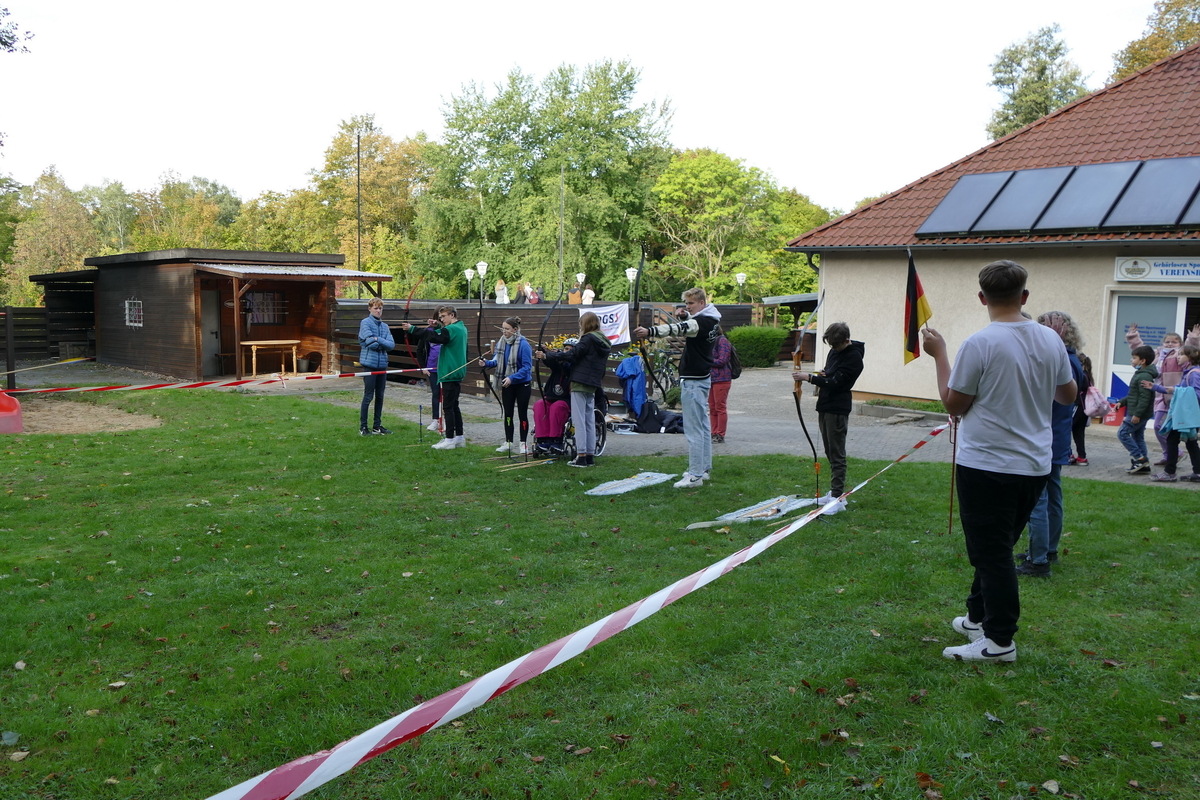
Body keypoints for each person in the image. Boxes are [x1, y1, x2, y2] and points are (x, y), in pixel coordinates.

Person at [922, 260, 1076, 663]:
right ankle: (977, 618)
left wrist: (939, 355)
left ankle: (999, 641)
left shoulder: (980, 343)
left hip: (987, 465)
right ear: (1024, 296)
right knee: (998, 545)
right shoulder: (1050, 339)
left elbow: (954, 404)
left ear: (982, 298)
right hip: (1034, 465)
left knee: (992, 553)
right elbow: (1067, 395)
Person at [1016, 311, 1086, 578]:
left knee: (1039, 500)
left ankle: (1038, 559)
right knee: (1052, 495)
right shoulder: (1070, 358)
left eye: (1041, 328)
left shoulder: (1062, 360)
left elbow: (1044, 392)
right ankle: (1048, 549)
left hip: (1046, 437)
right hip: (1055, 437)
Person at [635, 287, 721, 488]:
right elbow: (691, 325)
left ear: (702, 303)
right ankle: (703, 469)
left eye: (691, 303)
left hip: (694, 381)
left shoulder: (701, 322)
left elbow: (677, 329)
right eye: (687, 303)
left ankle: (695, 475)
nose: (688, 307)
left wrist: (649, 332)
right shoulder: (711, 319)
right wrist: (685, 316)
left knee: (693, 429)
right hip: (701, 378)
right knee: (703, 426)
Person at [792, 322, 865, 505]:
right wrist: (824, 374)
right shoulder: (835, 350)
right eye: (831, 345)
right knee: (829, 451)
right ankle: (834, 492)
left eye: (836, 345)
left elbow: (837, 383)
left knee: (837, 453)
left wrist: (809, 378)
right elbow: (831, 374)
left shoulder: (854, 357)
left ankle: (837, 498)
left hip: (838, 408)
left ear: (846, 340)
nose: (833, 348)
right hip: (825, 404)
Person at [1125, 324, 1200, 464]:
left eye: (1174, 342)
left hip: (1175, 398)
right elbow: (1141, 353)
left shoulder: (1179, 355)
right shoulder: (1158, 355)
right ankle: (1170, 456)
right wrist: (1133, 335)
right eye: (1167, 342)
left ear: (1180, 344)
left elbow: (1191, 350)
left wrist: (1194, 337)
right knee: (1158, 426)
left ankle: (1173, 458)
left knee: (1175, 433)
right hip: (1161, 396)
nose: (1170, 344)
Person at [400, 306, 468, 450]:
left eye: (443, 316)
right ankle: (459, 437)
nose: (441, 319)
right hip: (456, 372)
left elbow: (434, 337)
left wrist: (412, 329)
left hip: (449, 372)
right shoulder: (461, 328)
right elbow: (443, 333)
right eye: (440, 317)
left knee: (448, 407)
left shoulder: (451, 329)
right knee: (454, 406)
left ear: (452, 315)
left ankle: (449, 439)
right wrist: (437, 326)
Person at [1145, 343, 1200, 482]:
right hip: (1188, 415)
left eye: (1181, 354)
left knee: (1172, 440)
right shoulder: (1188, 372)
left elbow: (1196, 394)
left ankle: (1169, 473)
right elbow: (1177, 388)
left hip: (1186, 415)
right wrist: (1156, 387)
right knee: (1191, 443)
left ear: (1190, 357)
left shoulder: (1194, 374)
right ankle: (1197, 472)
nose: (1178, 357)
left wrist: (1177, 390)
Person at [480, 316, 533, 455]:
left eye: (507, 329)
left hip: (522, 384)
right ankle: (508, 442)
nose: (504, 331)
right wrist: (486, 363)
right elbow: (497, 360)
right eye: (503, 328)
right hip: (507, 383)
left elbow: (527, 367)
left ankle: (523, 443)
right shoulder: (502, 342)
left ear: (515, 329)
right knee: (508, 413)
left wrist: (512, 377)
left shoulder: (523, 344)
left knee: (522, 414)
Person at [564, 312, 611, 467]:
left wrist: (550, 355)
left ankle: (581, 456)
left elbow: (573, 354)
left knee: (579, 420)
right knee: (589, 420)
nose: (580, 327)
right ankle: (589, 455)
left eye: (581, 324)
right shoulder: (601, 341)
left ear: (586, 324)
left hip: (579, 382)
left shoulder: (588, 339)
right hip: (592, 384)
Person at [1116, 345, 1158, 474]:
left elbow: (1145, 398)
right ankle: (1143, 465)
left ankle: (1140, 458)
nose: (1131, 360)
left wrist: (1137, 414)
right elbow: (1134, 395)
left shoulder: (1144, 376)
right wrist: (1122, 402)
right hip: (1139, 413)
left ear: (1142, 361)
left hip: (1138, 414)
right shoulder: (1140, 374)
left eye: (1134, 358)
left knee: (1122, 433)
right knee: (1137, 437)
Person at [357, 298, 395, 435]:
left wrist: (377, 339)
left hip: (382, 365)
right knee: (368, 396)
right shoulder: (365, 323)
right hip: (369, 365)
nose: (378, 311)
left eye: (380, 308)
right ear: (370, 309)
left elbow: (391, 345)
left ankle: (377, 426)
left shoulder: (385, 326)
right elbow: (369, 343)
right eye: (376, 308)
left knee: (380, 395)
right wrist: (380, 343)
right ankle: (363, 427)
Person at [532, 338, 576, 454]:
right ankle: (543, 439)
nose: (566, 351)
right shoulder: (558, 360)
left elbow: (567, 366)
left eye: (570, 350)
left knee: (557, 407)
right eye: (565, 349)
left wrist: (557, 356)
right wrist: (544, 352)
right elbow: (551, 362)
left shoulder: (575, 364)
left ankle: (556, 440)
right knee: (540, 405)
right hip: (552, 396)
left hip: (566, 399)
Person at [1067, 351, 1093, 465]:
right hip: (1084, 408)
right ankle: (1082, 456)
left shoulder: (1080, 375)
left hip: (1077, 406)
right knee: (1079, 432)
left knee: (1066, 429)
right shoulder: (1088, 375)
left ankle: (1068, 454)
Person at [708, 328, 733, 444]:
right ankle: (713, 432)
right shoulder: (710, 341)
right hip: (711, 379)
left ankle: (720, 434)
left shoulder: (722, 341)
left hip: (722, 379)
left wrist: (707, 361)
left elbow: (723, 360)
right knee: (712, 408)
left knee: (720, 407)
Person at [422, 340, 442, 432]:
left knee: (447, 395)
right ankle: (435, 420)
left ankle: (447, 420)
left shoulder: (447, 333)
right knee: (436, 393)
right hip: (432, 369)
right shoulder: (428, 335)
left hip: (445, 368)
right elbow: (420, 350)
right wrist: (423, 366)